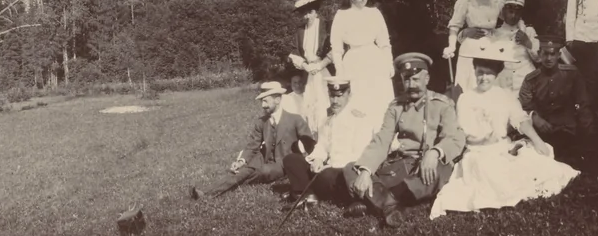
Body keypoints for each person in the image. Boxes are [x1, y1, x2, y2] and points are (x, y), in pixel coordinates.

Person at [429, 38, 580, 219]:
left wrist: (538, 141)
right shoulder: (466, 98)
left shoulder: (503, 95)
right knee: (489, 173)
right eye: (480, 73)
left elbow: (520, 120)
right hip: (479, 152)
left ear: (496, 74)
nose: (484, 78)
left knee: (537, 159)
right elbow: (464, 133)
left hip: (503, 147)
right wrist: (485, 139)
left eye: (489, 74)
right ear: (474, 72)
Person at [342, 53, 465, 228]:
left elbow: (455, 137)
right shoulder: (395, 107)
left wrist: (435, 151)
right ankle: (390, 205)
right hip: (401, 166)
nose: (411, 85)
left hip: (425, 167)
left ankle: (373, 201)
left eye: (416, 79)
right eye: (407, 80)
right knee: (351, 168)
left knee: (441, 169)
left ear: (427, 78)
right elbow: (382, 140)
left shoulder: (442, 104)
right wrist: (366, 170)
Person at [190, 81, 315, 200]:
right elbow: (252, 145)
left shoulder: (295, 119)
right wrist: (241, 161)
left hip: (283, 164)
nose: (262, 105)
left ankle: (211, 191)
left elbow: (309, 143)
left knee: (261, 171)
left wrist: (306, 164)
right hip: (263, 159)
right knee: (243, 170)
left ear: (277, 100)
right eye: (261, 101)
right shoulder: (261, 122)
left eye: (266, 101)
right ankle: (206, 192)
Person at [281, 76, 380, 210]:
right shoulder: (329, 119)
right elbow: (322, 145)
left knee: (326, 176)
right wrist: (317, 159)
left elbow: (359, 155)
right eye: (332, 96)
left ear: (349, 95)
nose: (335, 101)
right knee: (291, 160)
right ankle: (308, 195)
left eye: (339, 96)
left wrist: (330, 166)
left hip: (346, 171)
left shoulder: (359, 118)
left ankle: (302, 191)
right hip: (327, 169)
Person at [330, 0, 396, 126]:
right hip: (353, 61)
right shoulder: (342, 16)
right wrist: (340, 69)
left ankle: (382, 135)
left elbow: (384, 42)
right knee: (356, 98)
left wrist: (389, 63)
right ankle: (358, 135)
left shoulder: (374, 13)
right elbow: (336, 47)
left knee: (378, 97)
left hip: (374, 60)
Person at [518, 35, 594, 164]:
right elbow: (524, 106)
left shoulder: (571, 74)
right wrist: (535, 118)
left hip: (568, 129)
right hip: (543, 129)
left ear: (559, 55)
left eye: (552, 54)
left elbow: (582, 102)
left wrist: (586, 132)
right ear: (539, 54)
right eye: (545, 54)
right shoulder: (531, 79)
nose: (549, 58)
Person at [443, 0, 506, 93]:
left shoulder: (497, 2)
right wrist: (452, 46)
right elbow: (454, 26)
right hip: (471, 46)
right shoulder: (466, 1)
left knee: (489, 81)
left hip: (491, 44)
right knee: (470, 82)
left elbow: (511, 20)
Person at [289, 0, 334, 134]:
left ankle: (328, 136)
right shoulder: (300, 31)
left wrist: (320, 65)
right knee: (309, 106)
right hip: (308, 72)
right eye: (304, 13)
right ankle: (313, 139)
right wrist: (305, 66)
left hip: (325, 70)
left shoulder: (327, 26)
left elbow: (336, 48)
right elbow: (294, 52)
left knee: (326, 102)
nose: (307, 16)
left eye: (310, 12)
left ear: (316, 11)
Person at [489, 0, 539, 91]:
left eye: (517, 13)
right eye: (510, 12)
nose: (513, 16)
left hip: (526, 82)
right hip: (503, 84)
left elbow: (539, 58)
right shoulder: (496, 33)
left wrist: (528, 43)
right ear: (504, 11)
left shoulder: (528, 31)